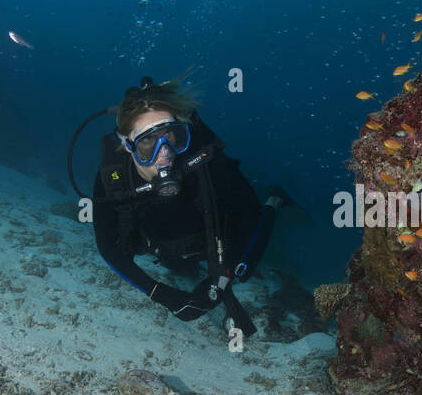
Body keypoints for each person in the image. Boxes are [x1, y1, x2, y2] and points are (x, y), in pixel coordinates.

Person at [91, 76, 294, 336]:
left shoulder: (206, 162)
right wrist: (161, 293)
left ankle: (275, 200)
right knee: (177, 265)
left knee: (246, 267)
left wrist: (221, 280)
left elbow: (249, 215)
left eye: (171, 137)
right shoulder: (113, 177)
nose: (164, 154)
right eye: (148, 142)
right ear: (128, 146)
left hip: (215, 237)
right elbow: (108, 247)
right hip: (161, 244)